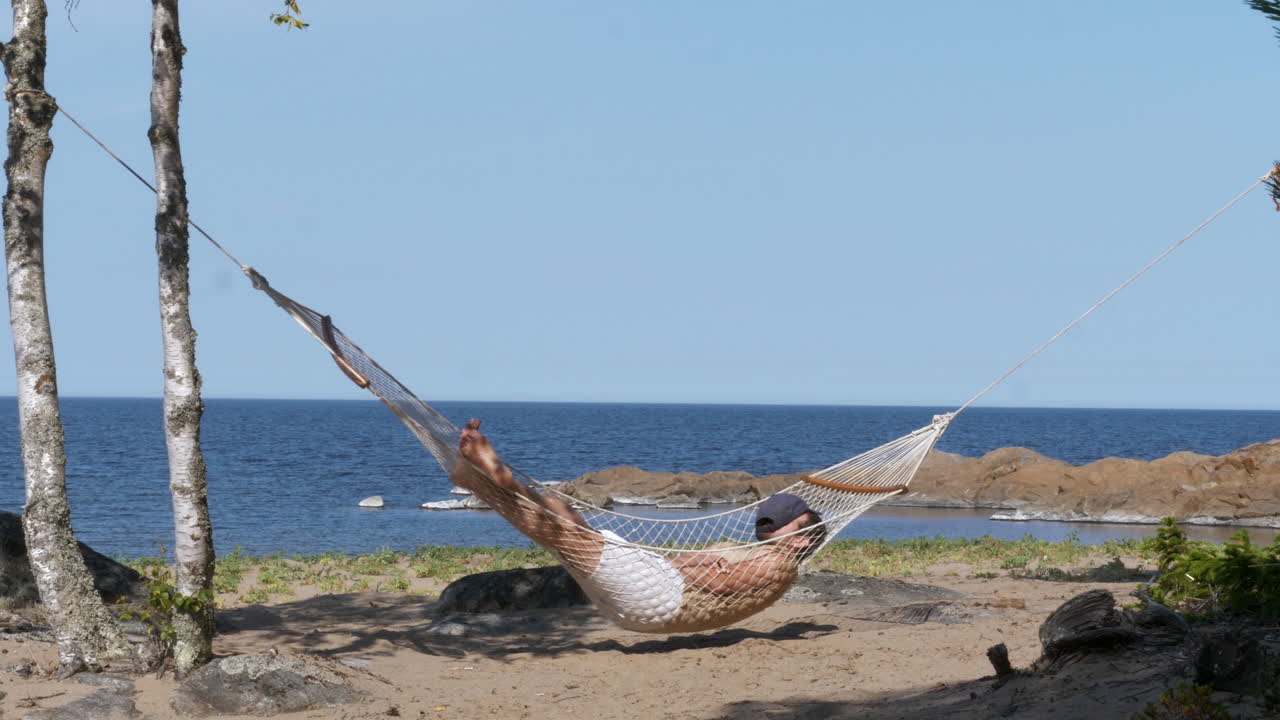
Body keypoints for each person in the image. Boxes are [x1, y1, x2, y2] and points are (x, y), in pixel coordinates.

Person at [450, 419, 826, 627]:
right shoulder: (759, 553)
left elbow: (720, 581)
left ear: (801, 540)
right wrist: (703, 561)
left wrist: (698, 563)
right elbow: (712, 571)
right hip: (655, 578)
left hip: (660, 596)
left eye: (786, 524)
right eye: (765, 522)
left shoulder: (777, 564)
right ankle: (480, 481)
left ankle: (494, 476)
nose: (766, 528)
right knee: (567, 519)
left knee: (563, 535)